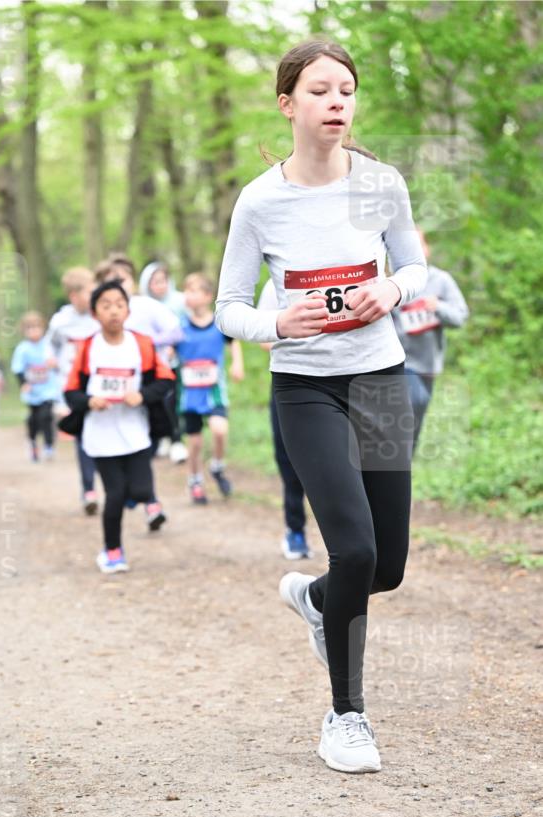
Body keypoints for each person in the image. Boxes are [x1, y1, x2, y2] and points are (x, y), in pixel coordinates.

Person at [215, 39, 427, 773]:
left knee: (389, 566)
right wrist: (276, 325)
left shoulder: (379, 183)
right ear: (287, 105)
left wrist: (392, 290)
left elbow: (416, 264)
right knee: (356, 548)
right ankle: (345, 716)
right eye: (318, 91)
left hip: (380, 379)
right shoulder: (260, 199)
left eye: (345, 90)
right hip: (305, 388)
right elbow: (228, 309)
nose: (335, 102)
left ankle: (314, 599)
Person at [60, 281, 176, 573]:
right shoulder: (88, 346)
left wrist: (142, 396)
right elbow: (71, 390)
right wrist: (89, 401)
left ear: (128, 310)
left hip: (135, 431)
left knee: (140, 490)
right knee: (114, 494)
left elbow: (165, 380)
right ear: (95, 313)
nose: (113, 311)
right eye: (106, 305)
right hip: (100, 434)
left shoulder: (142, 343)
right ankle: (112, 551)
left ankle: (132, 506)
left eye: (119, 305)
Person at [95, 254, 182, 528]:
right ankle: (132, 492)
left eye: (123, 279)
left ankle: (147, 498)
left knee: (145, 443)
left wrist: (148, 343)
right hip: (111, 394)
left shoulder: (146, 306)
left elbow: (176, 331)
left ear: (134, 281)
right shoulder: (102, 313)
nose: (119, 285)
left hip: (148, 383)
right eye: (112, 281)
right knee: (120, 445)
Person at [393, 229, 469, 452]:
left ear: (427, 249)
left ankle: (404, 462)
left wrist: (438, 308)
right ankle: (393, 457)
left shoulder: (441, 281)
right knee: (413, 402)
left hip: (428, 365)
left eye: (419, 246)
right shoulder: (393, 282)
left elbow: (460, 316)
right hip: (400, 362)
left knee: (417, 414)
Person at [176, 272, 244, 503]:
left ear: (207, 296)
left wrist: (237, 363)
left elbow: (233, 341)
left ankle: (217, 465)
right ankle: (194, 479)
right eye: (186, 290)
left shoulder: (218, 322)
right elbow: (169, 350)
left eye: (194, 291)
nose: (188, 295)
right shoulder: (180, 325)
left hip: (214, 390)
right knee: (194, 442)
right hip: (190, 394)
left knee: (219, 430)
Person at [258, 279, 312, 559]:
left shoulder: (343, 271)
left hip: (339, 381)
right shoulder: (275, 284)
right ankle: (296, 531)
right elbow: (264, 338)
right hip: (289, 381)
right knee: (289, 459)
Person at [47, 267, 100, 514]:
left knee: (100, 433)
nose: (93, 296)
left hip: (97, 384)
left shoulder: (98, 316)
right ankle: (88, 489)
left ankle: (107, 480)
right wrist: (52, 361)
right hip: (72, 387)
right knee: (83, 435)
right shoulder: (60, 321)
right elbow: (51, 346)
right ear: (73, 295)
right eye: (88, 292)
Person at [138, 260, 189, 464]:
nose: (160, 285)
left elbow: (184, 329)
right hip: (149, 362)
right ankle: (162, 437)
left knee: (171, 399)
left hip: (174, 361)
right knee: (155, 402)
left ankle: (177, 438)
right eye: (155, 282)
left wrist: (171, 345)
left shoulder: (179, 303)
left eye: (163, 281)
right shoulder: (142, 305)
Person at [11, 311, 59, 461]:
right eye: (30, 328)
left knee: (46, 416)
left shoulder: (48, 345)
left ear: (43, 328)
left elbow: (58, 362)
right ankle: (32, 441)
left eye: (37, 327)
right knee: (34, 418)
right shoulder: (23, 349)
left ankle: (49, 445)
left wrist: (55, 364)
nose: (34, 331)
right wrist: (24, 383)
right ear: (24, 331)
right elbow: (18, 369)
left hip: (48, 389)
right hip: (33, 390)